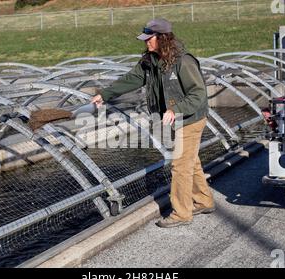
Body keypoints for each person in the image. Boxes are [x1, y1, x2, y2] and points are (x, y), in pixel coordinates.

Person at [91, 19, 214, 228]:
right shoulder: (149, 61)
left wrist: (176, 109)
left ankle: (182, 213)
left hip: (190, 119)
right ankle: (204, 200)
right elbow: (131, 79)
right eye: (145, 38)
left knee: (180, 166)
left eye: (150, 38)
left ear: (163, 38)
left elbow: (199, 93)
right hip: (173, 119)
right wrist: (105, 94)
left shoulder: (183, 61)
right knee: (190, 162)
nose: (146, 42)